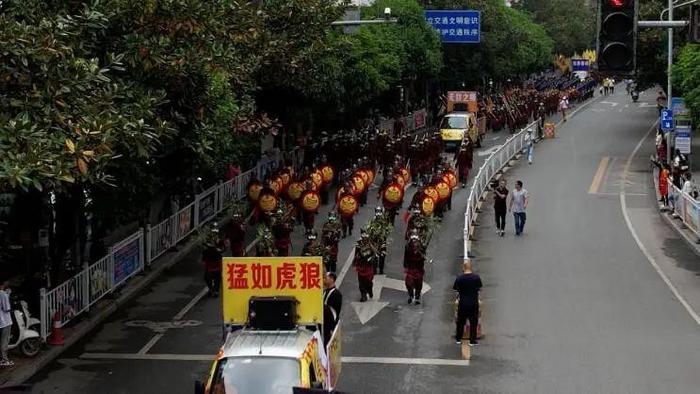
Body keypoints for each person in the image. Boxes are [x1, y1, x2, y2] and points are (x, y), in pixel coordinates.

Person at [453, 260, 482, 346]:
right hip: (473, 303)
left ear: (463, 267)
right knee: (473, 322)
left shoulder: (459, 278)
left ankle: (458, 338)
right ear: (470, 267)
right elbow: (479, 288)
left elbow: (455, 290)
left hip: (463, 303)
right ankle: (472, 341)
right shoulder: (476, 277)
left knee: (460, 322)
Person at [403, 231, 426, 305]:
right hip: (411, 268)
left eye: (416, 241)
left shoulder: (421, 248)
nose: (414, 242)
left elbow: (423, 258)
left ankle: (417, 297)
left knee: (418, 284)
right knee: (408, 283)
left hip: (418, 268)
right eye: (413, 241)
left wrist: (422, 256)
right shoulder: (407, 248)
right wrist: (405, 266)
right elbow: (405, 257)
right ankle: (411, 295)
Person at [323, 272, 342, 344]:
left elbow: (335, 311)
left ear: (332, 279)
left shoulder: (336, 294)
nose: (324, 280)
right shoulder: (325, 292)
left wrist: (332, 327)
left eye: (325, 278)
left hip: (330, 325)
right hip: (324, 324)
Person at [0, 279, 13, 367]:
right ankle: (4, 360)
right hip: (5, 321)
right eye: (7, 281)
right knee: (4, 341)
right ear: (4, 283)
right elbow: (6, 308)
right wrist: (8, 295)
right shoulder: (3, 294)